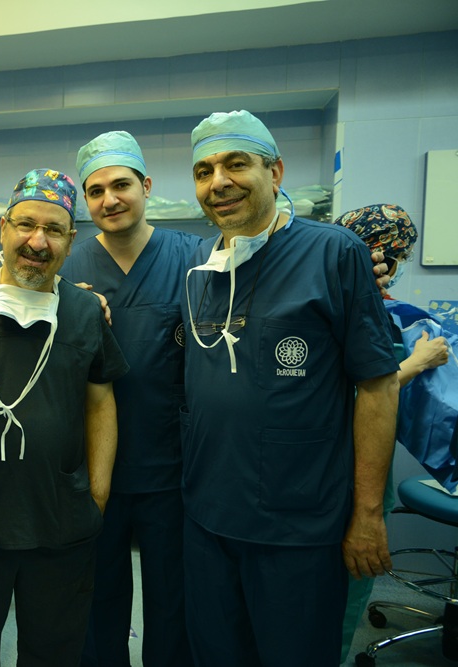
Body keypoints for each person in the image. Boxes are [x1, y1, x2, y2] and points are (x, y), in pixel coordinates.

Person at [180, 110, 400, 667]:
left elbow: (378, 386)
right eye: (204, 171)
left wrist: (367, 514)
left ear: (275, 172)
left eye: (236, 164)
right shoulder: (200, 266)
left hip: (298, 523)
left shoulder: (334, 253)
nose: (218, 182)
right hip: (208, 516)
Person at [0, 168, 128, 666]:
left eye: (53, 230)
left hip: (61, 524)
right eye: (25, 225)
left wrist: (97, 494)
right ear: (3, 228)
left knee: (54, 655)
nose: (37, 242)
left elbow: (101, 401)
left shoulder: (84, 311)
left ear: (70, 240)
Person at [60, 131, 197, 667]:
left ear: (146, 186)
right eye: (95, 191)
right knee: (97, 597)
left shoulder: (194, 256)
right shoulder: (66, 269)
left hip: (172, 466)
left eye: (121, 185)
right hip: (96, 468)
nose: (109, 199)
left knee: (174, 598)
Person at [334, 203, 450, 662]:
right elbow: (351, 398)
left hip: (335, 469)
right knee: (343, 590)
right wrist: (417, 363)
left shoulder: (382, 312)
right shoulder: (353, 311)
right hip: (346, 468)